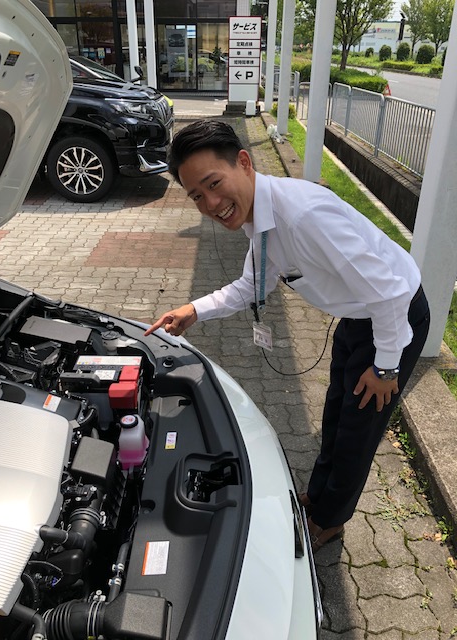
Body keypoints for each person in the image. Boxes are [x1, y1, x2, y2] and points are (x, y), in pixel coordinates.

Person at [144, 119, 430, 552]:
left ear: (244, 162)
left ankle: (329, 521)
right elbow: (252, 285)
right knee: (336, 414)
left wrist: (386, 366)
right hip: (358, 317)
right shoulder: (260, 217)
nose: (211, 203)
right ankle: (318, 496)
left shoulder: (303, 216)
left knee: (357, 431)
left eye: (214, 184)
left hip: (394, 319)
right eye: (197, 196)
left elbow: (390, 293)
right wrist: (194, 310)